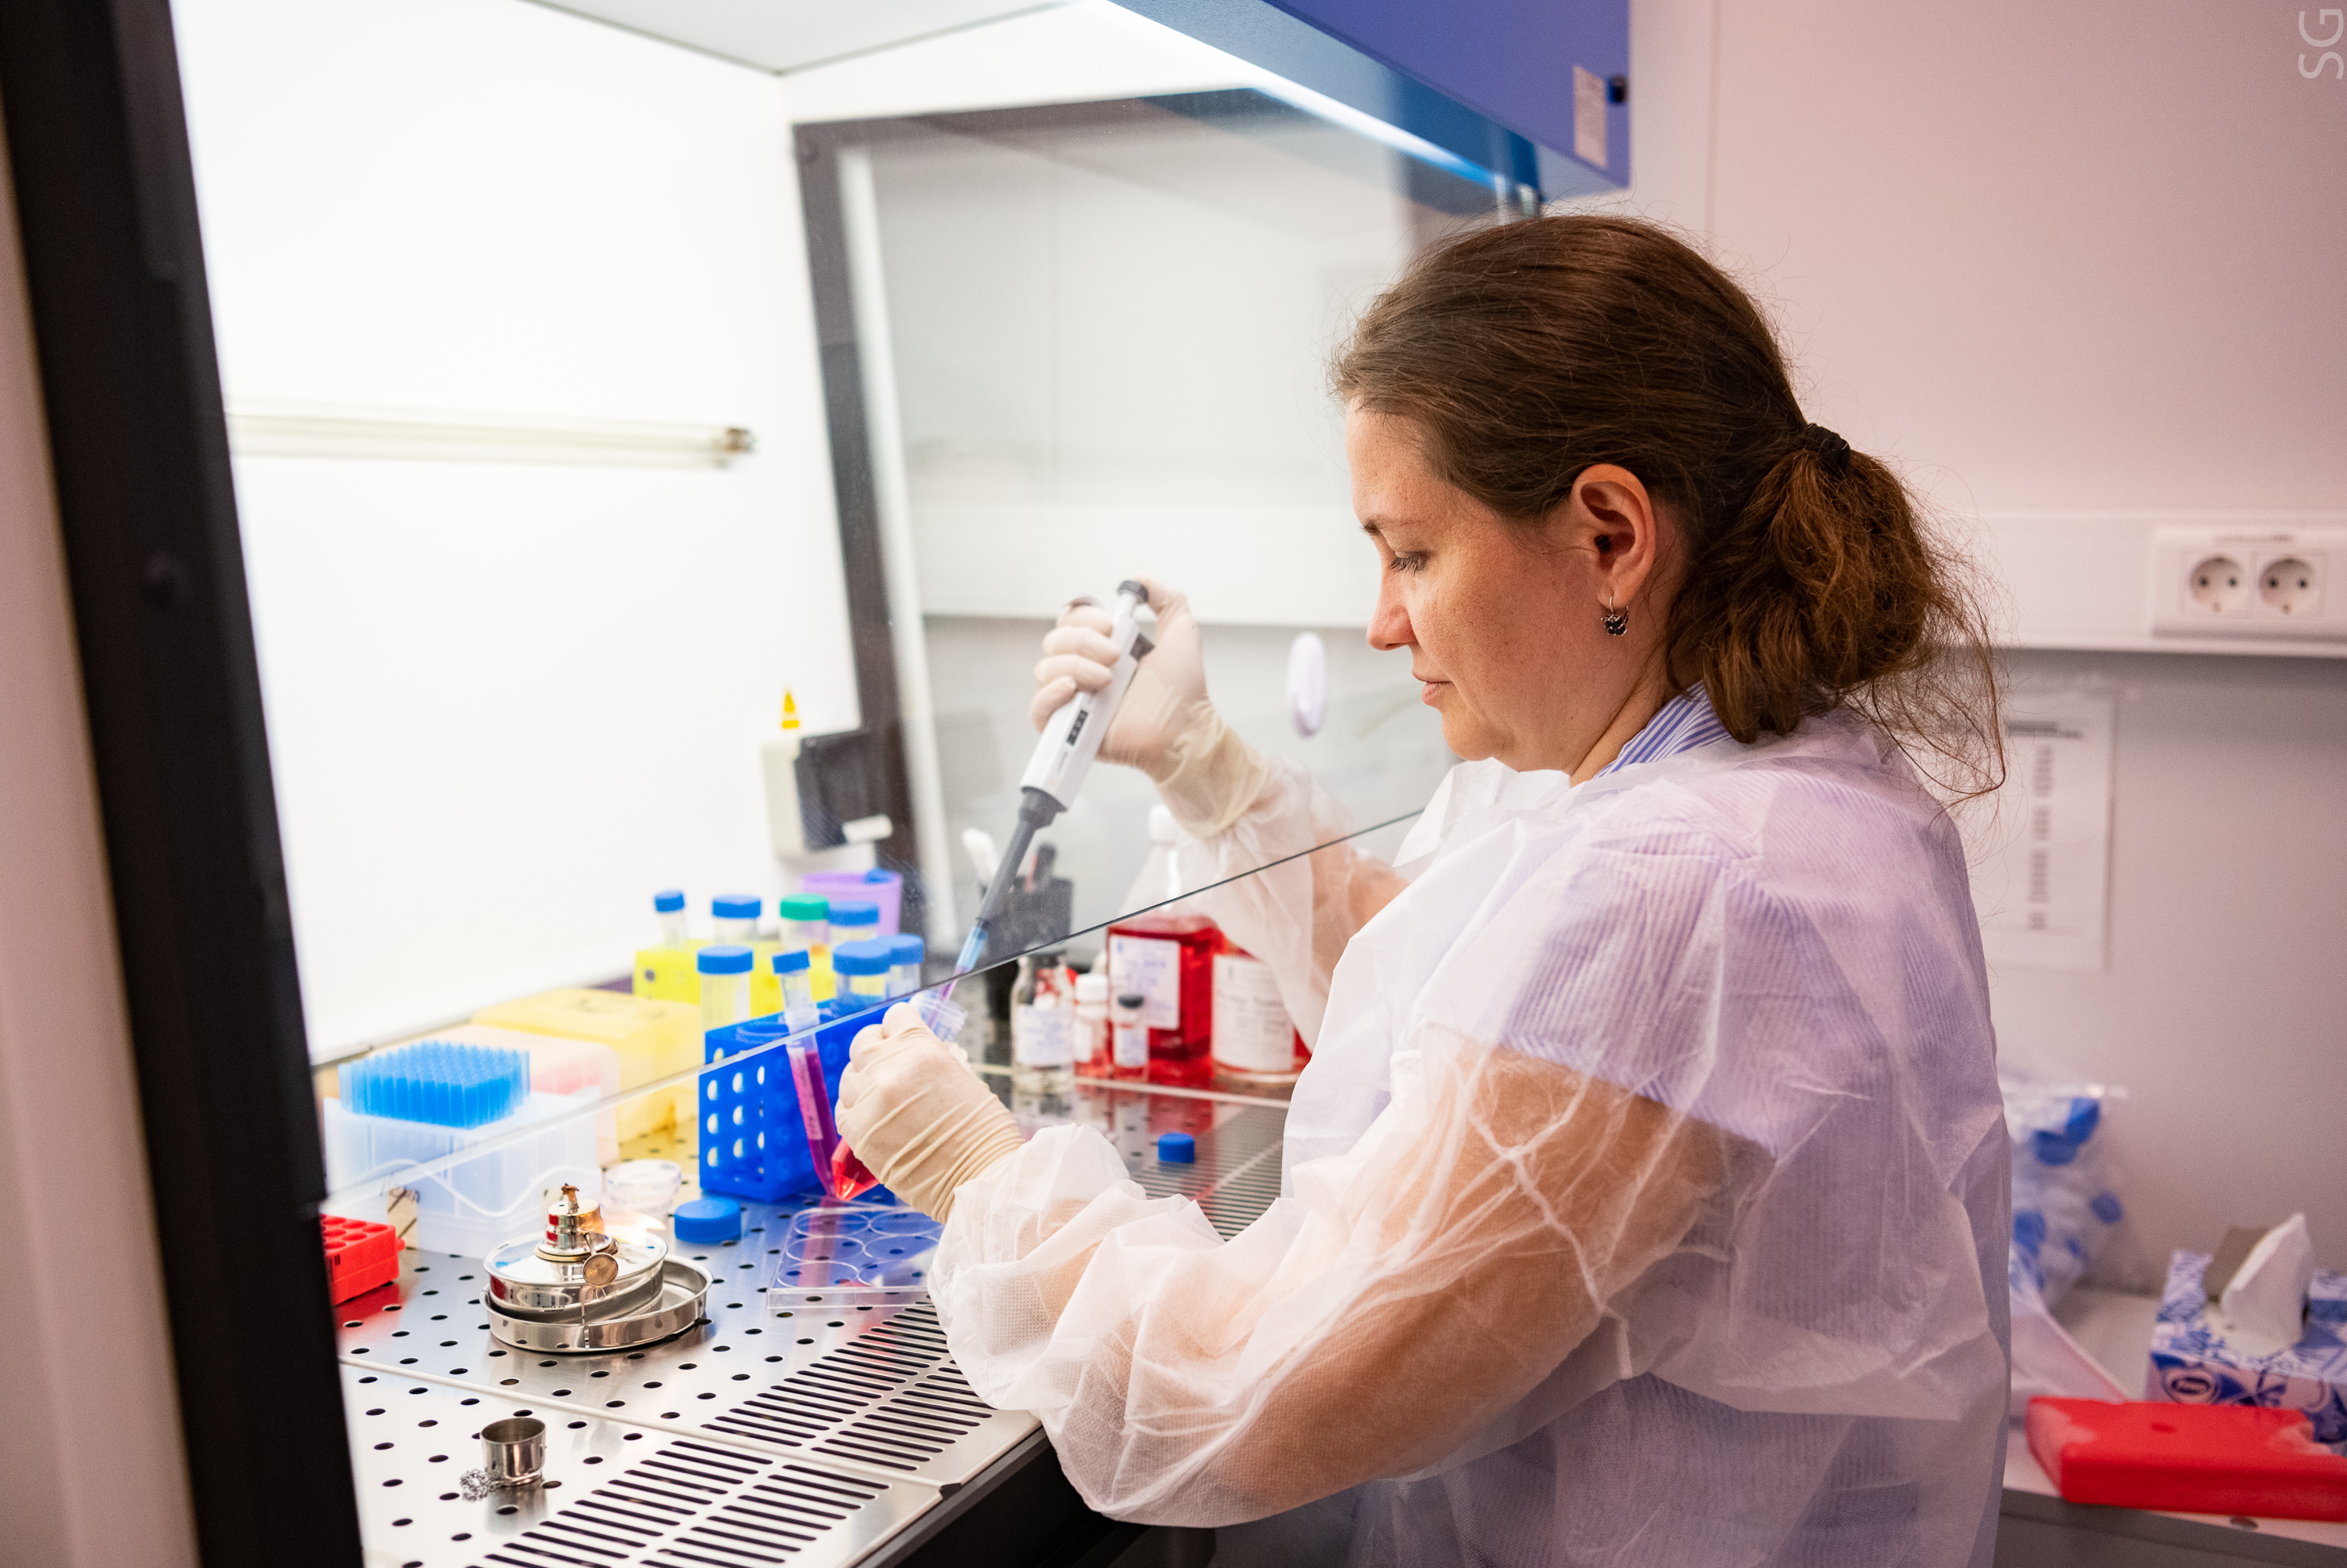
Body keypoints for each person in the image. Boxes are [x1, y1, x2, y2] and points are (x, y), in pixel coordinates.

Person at [836, 215, 2011, 1566]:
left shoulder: (1679, 888)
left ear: (1611, 536)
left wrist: (984, 1179)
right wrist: (1204, 767)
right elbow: (1462, 1003)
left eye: (1412, 553)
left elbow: (1248, 1398)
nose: (1385, 620)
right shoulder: (1791, 784)